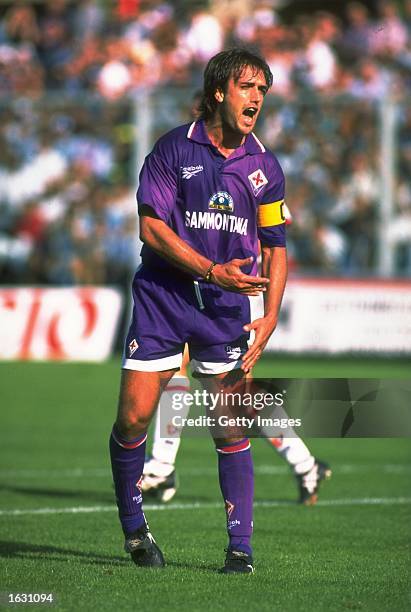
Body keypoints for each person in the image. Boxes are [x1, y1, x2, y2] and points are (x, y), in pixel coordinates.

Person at [109, 48, 287, 574]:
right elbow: (152, 229)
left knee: (232, 427)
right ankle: (136, 532)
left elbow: (276, 245)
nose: (257, 97)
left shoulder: (265, 167)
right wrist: (211, 270)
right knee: (134, 417)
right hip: (164, 300)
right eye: (248, 87)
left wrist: (271, 313)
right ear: (218, 92)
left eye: (263, 90)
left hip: (226, 309)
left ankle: (241, 549)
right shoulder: (170, 150)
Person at [142, 351, 332, 507]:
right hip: (196, 305)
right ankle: (161, 465)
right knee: (176, 362)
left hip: (234, 307)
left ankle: (306, 464)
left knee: (241, 391)